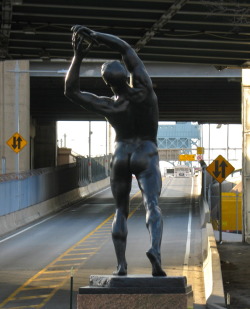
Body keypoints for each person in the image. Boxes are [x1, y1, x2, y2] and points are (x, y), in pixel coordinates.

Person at [65, 25, 166, 277]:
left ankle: (121, 266)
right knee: (151, 204)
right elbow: (125, 48)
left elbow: (71, 91)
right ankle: (155, 250)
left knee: (120, 209)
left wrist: (78, 55)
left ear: (108, 84)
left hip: (120, 155)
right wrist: (96, 36)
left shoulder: (110, 106)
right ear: (127, 74)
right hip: (147, 152)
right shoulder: (145, 90)